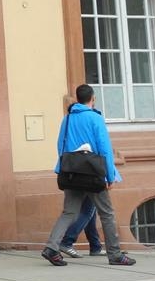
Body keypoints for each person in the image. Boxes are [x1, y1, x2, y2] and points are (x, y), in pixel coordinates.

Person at [42, 83, 136, 266]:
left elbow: (61, 145)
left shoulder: (67, 118)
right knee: (107, 213)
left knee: (68, 212)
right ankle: (115, 254)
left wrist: (64, 168)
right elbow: (104, 149)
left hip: (71, 172)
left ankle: (52, 247)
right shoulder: (95, 118)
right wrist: (110, 176)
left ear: (77, 99)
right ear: (93, 99)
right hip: (92, 173)